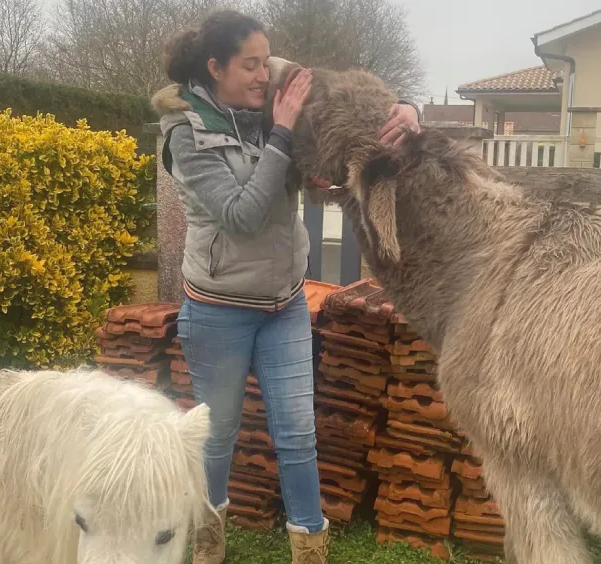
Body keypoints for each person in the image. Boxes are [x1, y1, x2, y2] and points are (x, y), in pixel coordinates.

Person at [152, 10, 421, 564]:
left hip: (284, 304)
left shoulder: (270, 94)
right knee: (218, 436)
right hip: (219, 311)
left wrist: (404, 109)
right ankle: (207, 543)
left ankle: (309, 549)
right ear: (215, 67)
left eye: (263, 61)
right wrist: (281, 134)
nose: (261, 74)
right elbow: (240, 215)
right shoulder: (185, 133)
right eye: (249, 65)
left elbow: (343, 100)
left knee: (298, 432)